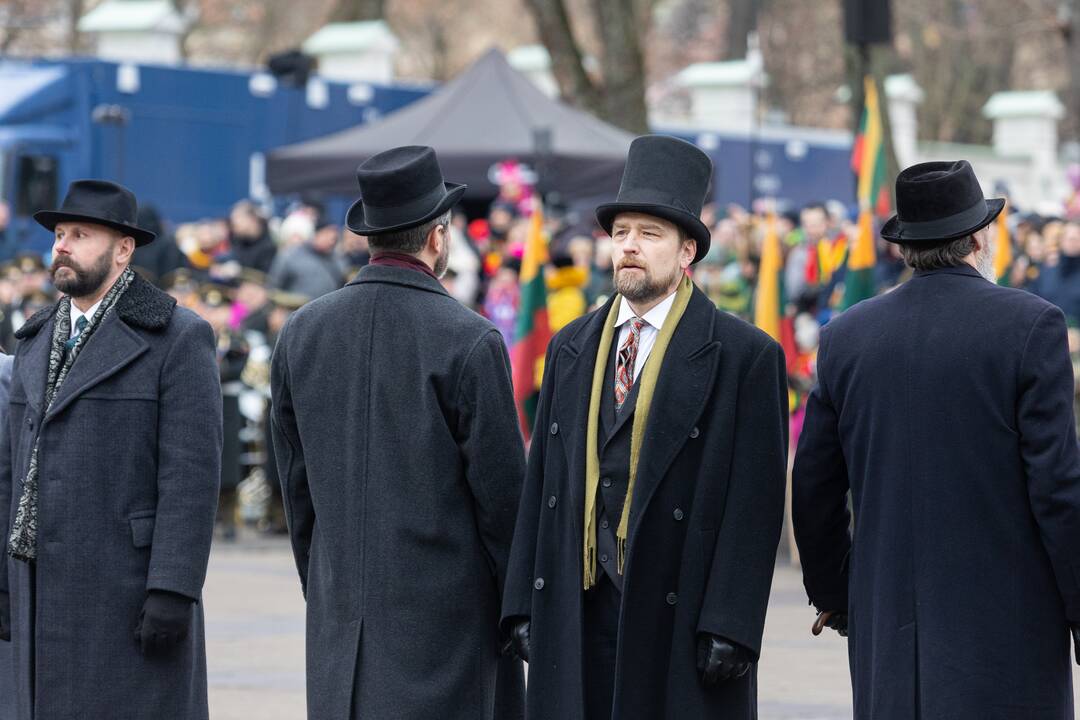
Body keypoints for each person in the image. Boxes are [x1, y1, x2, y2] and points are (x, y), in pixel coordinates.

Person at [502, 135, 788, 720]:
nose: (630, 247)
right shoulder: (571, 346)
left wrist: (732, 625)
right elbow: (542, 482)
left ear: (687, 253)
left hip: (679, 608)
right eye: (622, 233)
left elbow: (754, 503)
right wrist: (521, 605)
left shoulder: (743, 355)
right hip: (578, 607)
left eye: (649, 235)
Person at [793, 160, 1080, 719]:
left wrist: (838, 594)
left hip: (888, 628)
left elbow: (815, 489)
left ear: (904, 248)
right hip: (1008, 633)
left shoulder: (845, 337)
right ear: (978, 238)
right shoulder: (1030, 326)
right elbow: (1058, 489)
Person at [270, 146, 525, 719]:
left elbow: (296, 487)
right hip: (448, 625)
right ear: (438, 238)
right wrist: (518, 611)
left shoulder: (302, 333)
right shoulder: (468, 338)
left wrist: (328, 586)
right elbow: (503, 498)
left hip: (342, 619)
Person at [0, 179, 221, 719]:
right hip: (38, 581)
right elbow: (9, 470)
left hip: (125, 585)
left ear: (124, 249)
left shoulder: (176, 336)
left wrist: (173, 589)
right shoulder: (33, 340)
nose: (63, 247)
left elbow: (191, 476)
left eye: (81, 234)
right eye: (59, 234)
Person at [268, 215, 347, 299]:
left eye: (334, 237)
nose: (331, 240)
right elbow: (274, 285)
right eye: (326, 234)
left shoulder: (339, 260)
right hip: (295, 309)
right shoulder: (291, 255)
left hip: (328, 308)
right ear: (315, 234)